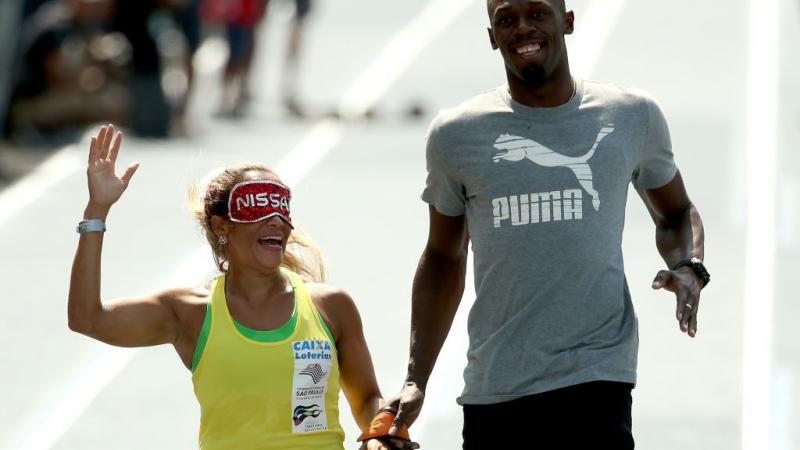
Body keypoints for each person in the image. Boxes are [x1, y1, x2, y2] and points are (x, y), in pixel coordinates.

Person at [384, 0, 709, 448]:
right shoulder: (456, 135)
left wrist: (689, 265)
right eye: (506, 19)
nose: (522, 28)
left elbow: (675, 212)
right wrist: (416, 377)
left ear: (567, 22)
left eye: (537, 13)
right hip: (496, 389)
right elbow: (443, 256)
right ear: (492, 36)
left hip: (598, 380)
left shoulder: (631, 116)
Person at [68, 124, 418, 450]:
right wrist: (97, 209)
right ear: (222, 226)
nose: (276, 221)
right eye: (258, 209)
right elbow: (87, 318)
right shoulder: (189, 312)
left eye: (281, 209)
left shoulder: (332, 307)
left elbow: (366, 399)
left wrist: (382, 431)